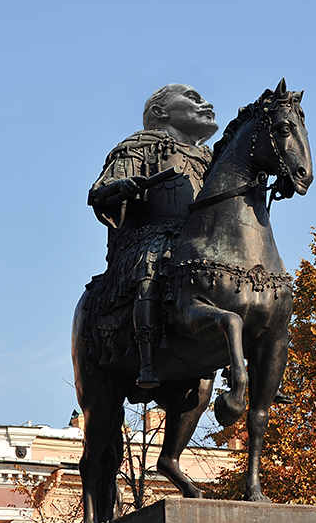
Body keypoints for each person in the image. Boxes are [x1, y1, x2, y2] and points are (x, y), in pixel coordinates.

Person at [88, 84, 218, 389]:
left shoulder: (212, 159)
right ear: (160, 112)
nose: (205, 103)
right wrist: (121, 187)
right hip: (152, 236)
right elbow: (100, 192)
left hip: (200, 241)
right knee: (150, 265)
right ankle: (146, 358)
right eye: (193, 99)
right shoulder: (137, 147)